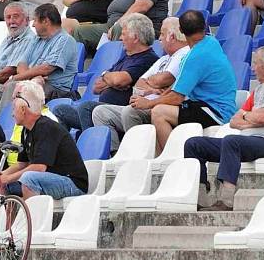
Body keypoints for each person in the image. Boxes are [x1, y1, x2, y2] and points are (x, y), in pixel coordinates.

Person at [184, 45, 264, 211]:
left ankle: (226, 200)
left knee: (232, 141)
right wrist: (254, 118)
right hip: (247, 141)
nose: (253, 68)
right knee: (193, 144)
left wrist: (254, 116)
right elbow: (234, 121)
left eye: (255, 63)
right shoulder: (258, 90)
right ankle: (200, 198)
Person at [139, 11, 237, 155]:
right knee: (160, 106)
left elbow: (177, 97)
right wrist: (158, 99)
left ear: (181, 31)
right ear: (204, 27)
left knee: (159, 112)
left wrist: (148, 103)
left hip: (216, 111)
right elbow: (176, 87)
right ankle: (159, 158)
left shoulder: (195, 57)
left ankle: (173, 158)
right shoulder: (211, 42)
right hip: (208, 105)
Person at [92, 17, 191, 151]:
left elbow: (164, 79)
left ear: (172, 36)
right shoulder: (164, 58)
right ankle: (114, 154)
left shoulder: (184, 54)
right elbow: (139, 83)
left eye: (162, 34)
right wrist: (153, 87)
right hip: (145, 104)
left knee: (130, 111)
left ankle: (138, 155)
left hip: (161, 106)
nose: (159, 39)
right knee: (100, 112)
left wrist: (150, 83)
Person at [52, 13, 158, 132]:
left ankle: (92, 147)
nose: (120, 38)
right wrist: (108, 78)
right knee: (59, 110)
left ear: (136, 37)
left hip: (118, 111)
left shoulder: (147, 59)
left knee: (86, 108)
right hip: (101, 107)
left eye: (123, 34)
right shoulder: (126, 57)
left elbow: (119, 80)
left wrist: (111, 80)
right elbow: (96, 87)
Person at [1, 80, 88, 200]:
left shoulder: (46, 127)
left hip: (72, 182)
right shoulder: (26, 129)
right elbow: (22, 163)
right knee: (4, 183)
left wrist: (9, 178)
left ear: (23, 109)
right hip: (52, 179)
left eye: (13, 108)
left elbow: (39, 168)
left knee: (28, 178)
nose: (11, 114)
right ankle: (12, 219)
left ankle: (32, 218)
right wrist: (1, 176)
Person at [0, 3, 80, 113]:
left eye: (35, 20)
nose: (33, 25)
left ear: (45, 21)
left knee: (14, 86)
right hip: (34, 83)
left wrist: (16, 78)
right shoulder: (36, 39)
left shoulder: (65, 40)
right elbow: (21, 64)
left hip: (54, 89)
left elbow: (46, 69)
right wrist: (29, 77)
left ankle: (2, 128)